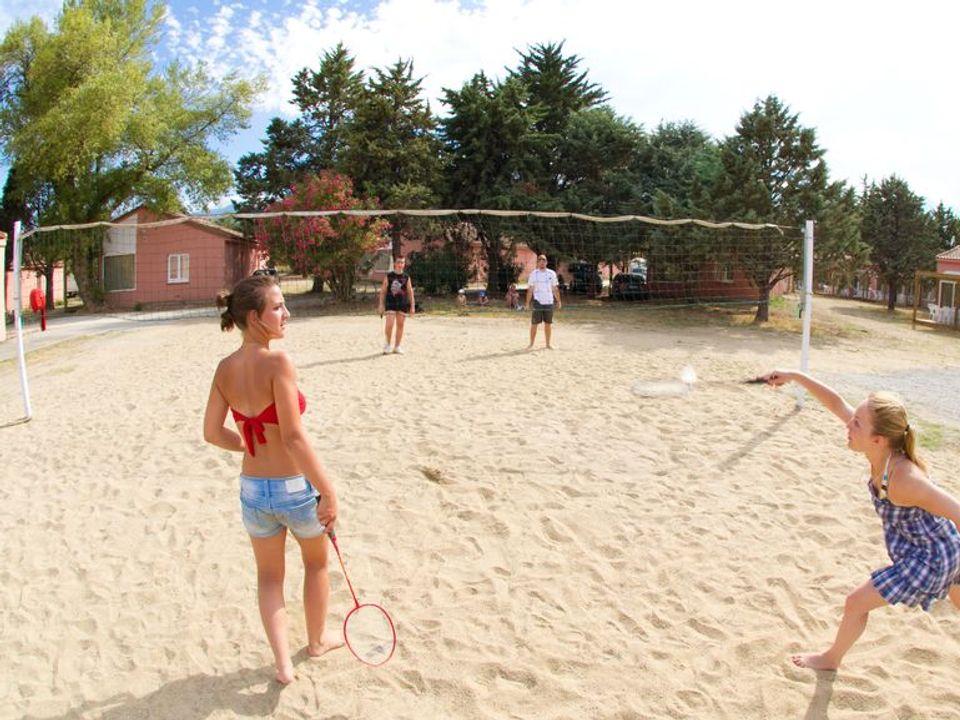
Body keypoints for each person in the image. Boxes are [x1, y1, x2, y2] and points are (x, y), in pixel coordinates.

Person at [758, 369, 960, 671]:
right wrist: (793, 376)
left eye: (856, 424)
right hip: (936, 545)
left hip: (931, 556)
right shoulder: (882, 447)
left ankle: (830, 659)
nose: (848, 425)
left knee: (855, 603)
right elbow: (836, 403)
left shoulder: (905, 479)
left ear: (878, 440)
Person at [203, 274, 341, 685]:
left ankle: (282, 665)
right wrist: (329, 492)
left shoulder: (224, 368)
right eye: (278, 307)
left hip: (252, 490)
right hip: (294, 489)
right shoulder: (279, 362)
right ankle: (316, 643)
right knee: (316, 564)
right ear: (254, 317)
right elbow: (294, 438)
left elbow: (211, 433)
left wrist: (248, 447)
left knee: (268, 577)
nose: (287, 313)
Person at [378, 256, 415, 354]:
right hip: (390, 303)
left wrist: (412, 306)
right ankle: (387, 344)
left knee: (400, 324)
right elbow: (383, 291)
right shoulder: (389, 276)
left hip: (402, 303)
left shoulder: (406, 277)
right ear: (395, 263)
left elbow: (410, 292)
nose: (400, 264)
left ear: (404, 264)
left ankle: (397, 346)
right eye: (398, 262)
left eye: (402, 263)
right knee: (389, 324)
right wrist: (381, 304)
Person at [524, 254, 562, 349]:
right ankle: (531, 344)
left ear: (546, 262)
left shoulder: (552, 273)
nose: (542, 262)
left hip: (549, 302)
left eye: (544, 260)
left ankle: (548, 344)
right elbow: (530, 290)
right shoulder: (533, 274)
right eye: (540, 260)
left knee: (548, 324)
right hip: (538, 302)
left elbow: (555, 289)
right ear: (537, 262)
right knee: (534, 324)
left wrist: (559, 301)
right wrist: (527, 303)